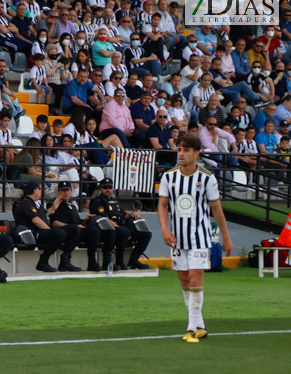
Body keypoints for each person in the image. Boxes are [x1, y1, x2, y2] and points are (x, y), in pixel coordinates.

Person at [157, 134, 233, 343]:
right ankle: (200, 326)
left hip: (199, 236)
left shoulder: (207, 177)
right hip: (177, 238)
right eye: (179, 149)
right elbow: (162, 205)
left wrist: (226, 237)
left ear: (196, 153)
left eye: (186, 150)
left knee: (195, 280)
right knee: (184, 282)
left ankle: (191, 329)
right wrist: (164, 228)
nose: (181, 153)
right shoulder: (168, 177)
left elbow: (216, 209)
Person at [14, 181, 80, 273]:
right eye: (40, 189)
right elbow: (36, 220)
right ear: (35, 191)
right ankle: (43, 261)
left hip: (40, 230)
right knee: (59, 233)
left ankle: (65, 261)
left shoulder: (34, 203)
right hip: (32, 232)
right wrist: (50, 231)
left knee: (74, 229)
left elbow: (43, 217)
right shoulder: (25, 202)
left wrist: (53, 208)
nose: (41, 191)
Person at [88, 177, 152, 271]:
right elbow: (104, 219)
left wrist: (132, 215)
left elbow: (123, 214)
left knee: (146, 234)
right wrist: (122, 229)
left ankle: (134, 260)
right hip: (107, 230)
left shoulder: (114, 201)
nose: (108, 190)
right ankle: (119, 261)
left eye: (110, 187)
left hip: (119, 229)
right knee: (123, 231)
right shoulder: (97, 202)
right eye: (105, 187)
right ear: (100, 189)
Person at [49, 181, 102, 271]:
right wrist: (73, 227)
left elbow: (78, 223)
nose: (66, 192)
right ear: (59, 192)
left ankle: (92, 262)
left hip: (76, 231)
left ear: (71, 191)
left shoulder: (72, 206)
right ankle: (65, 261)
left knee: (93, 230)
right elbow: (54, 222)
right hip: (63, 232)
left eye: (68, 190)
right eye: (63, 190)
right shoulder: (55, 204)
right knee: (75, 229)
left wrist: (86, 221)